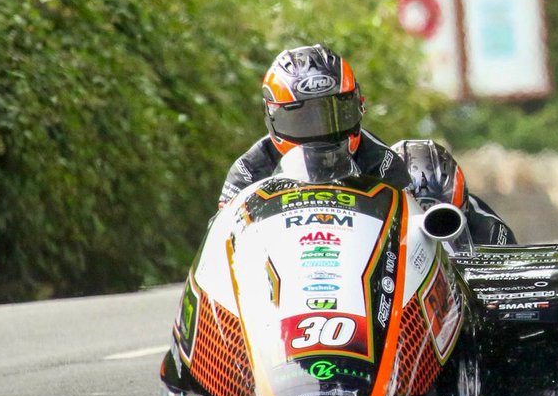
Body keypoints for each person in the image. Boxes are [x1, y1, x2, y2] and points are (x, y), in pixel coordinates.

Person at [217, 44, 516, 246]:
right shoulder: (248, 170)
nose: (323, 134)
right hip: (282, 271)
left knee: (428, 168)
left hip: (358, 262)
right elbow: (221, 240)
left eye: (337, 114)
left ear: (358, 106)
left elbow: (409, 231)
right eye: (305, 121)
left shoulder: (380, 160)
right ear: (273, 116)